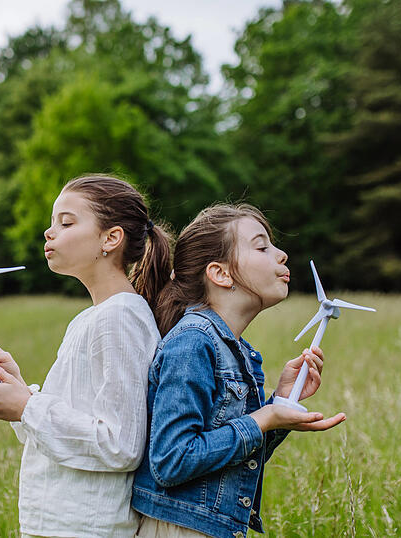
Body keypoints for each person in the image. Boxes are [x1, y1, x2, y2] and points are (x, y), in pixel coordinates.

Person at [0, 175, 171, 537]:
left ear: (111, 238)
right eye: (52, 222)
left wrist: (26, 407)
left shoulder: (120, 318)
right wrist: (17, 387)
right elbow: (69, 424)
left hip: (86, 526)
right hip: (62, 521)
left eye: (66, 222)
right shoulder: (92, 317)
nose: (49, 232)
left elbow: (120, 444)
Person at [130, 204, 346, 538]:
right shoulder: (193, 342)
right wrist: (263, 419)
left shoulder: (237, 350)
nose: (282, 255)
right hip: (179, 529)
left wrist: (281, 402)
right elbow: (172, 460)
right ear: (221, 274)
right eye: (262, 247)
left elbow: (231, 460)